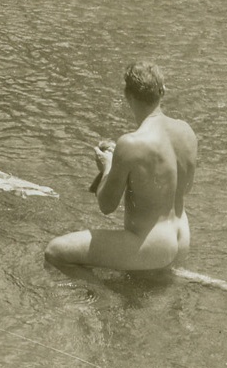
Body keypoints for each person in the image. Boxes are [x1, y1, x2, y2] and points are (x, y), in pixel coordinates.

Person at [45, 62, 195, 272]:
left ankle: (102, 299)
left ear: (128, 96)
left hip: (152, 246)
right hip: (181, 237)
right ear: (163, 92)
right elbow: (182, 186)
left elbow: (106, 206)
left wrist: (107, 167)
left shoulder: (131, 143)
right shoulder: (186, 131)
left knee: (55, 252)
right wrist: (123, 161)